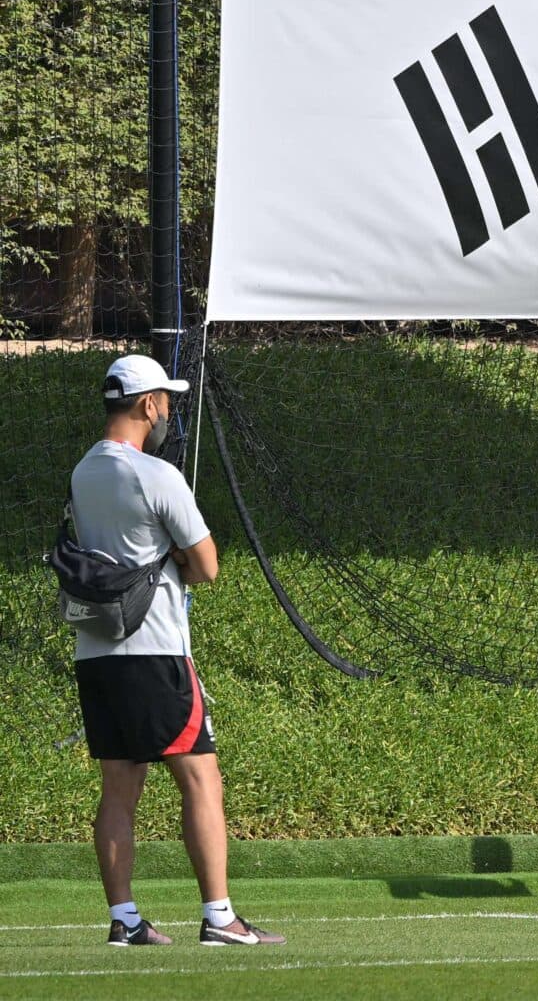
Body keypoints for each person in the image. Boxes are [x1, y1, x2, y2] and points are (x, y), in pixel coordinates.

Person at [69, 354, 282, 947]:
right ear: (145, 405)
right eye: (165, 399)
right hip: (156, 651)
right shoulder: (157, 474)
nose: (168, 410)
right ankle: (220, 918)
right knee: (201, 779)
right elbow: (208, 564)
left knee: (119, 786)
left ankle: (126, 919)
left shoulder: (84, 470)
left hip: (98, 652)